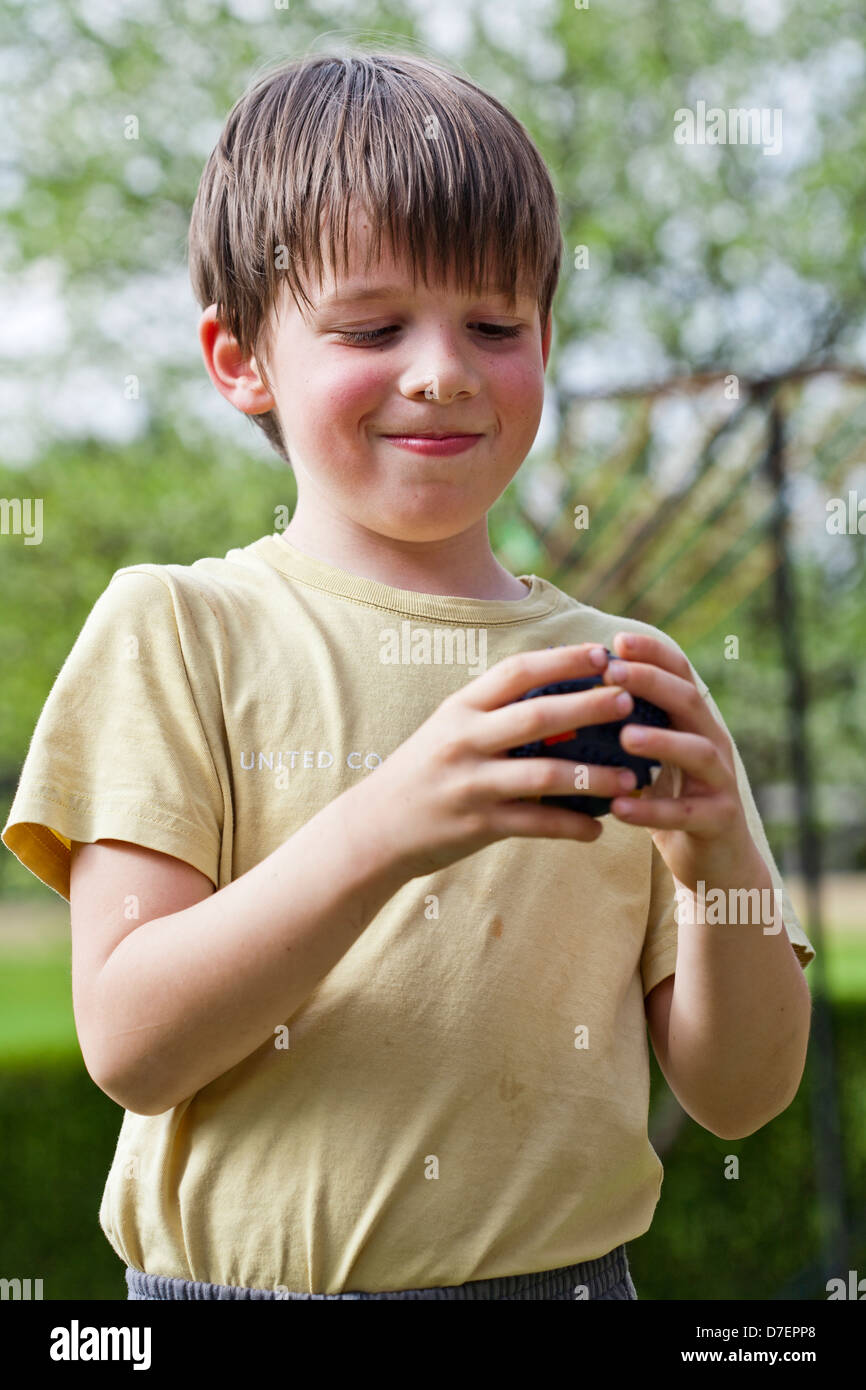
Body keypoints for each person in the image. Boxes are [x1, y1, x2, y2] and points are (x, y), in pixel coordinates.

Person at [1, 48, 815, 1302]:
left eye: (493, 325)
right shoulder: (176, 627)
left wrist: (719, 865)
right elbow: (132, 1042)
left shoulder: (620, 679)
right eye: (372, 327)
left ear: (544, 335)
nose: (441, 369)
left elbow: (738, 1094)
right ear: (240, 359)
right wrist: (389, 823)